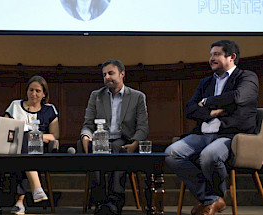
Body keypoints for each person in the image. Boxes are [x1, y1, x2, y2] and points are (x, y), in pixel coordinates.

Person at [165, 40, 259, 215]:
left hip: (232, 136)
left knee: (209, 155)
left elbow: (238, 97)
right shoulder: (205, 82)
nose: (211, 59)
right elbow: (189, 109)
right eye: (210, 55)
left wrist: (207, 102)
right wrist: (213, 113)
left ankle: (212, 199)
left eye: (216, 54)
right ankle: (212, 199)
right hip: (204, 133)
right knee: (172, 153)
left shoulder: (247, 77)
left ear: (232, 57)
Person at [80, 59, 149, 214]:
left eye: (111, 73)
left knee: (118, 147)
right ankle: (100, 202)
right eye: (104, 75)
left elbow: (143, 127)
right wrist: (85, 136)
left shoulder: (137, 97)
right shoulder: (96, 96)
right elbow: (88, 124)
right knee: (95, 149)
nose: (107, 77)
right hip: (100, 139)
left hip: (124, 140)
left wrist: (135, 143)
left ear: (122, 74)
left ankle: (114, 202)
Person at [4, 75, 59, 214]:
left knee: (27, 138)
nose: (33, 94)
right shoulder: (15, 106)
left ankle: (20, 202)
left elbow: (54, 136)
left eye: (38, 91)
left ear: (44, 94)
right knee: (22, 143)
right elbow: (5, 129)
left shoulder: (49, 110)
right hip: (14, 148)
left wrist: (34, 136)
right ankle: (36, 188)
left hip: (39, 150)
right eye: (31, 90)